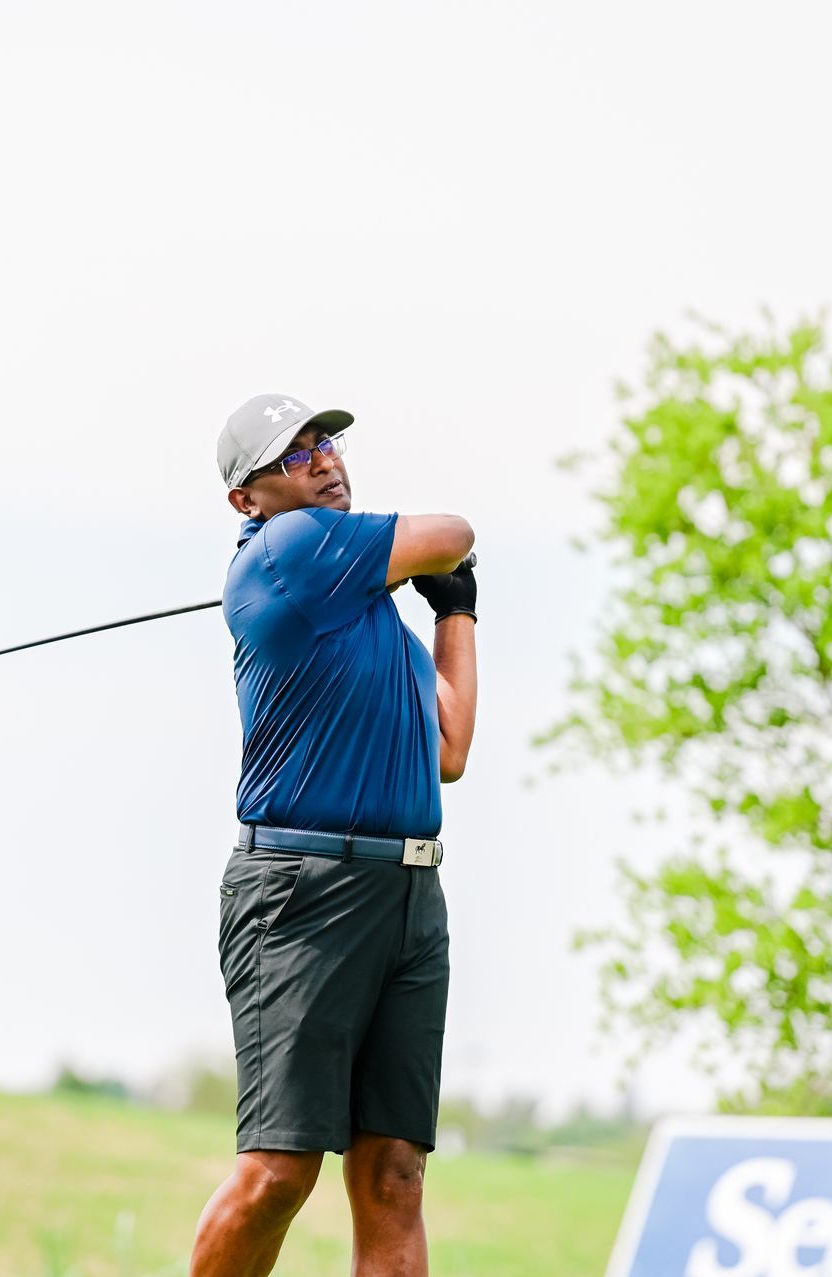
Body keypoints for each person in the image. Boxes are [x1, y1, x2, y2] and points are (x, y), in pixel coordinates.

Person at [191, 393, 478, 1276]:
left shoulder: (365, 611)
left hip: (408, 894)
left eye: (327, 444)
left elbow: (449, 749)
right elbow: (454, 529)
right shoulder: (292, 545)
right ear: (246, 499)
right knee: (279, 1171)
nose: (323, 460)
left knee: (394, 1175)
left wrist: (455, 612)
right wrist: (446, 561)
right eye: (294, 455)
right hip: (302, 893)